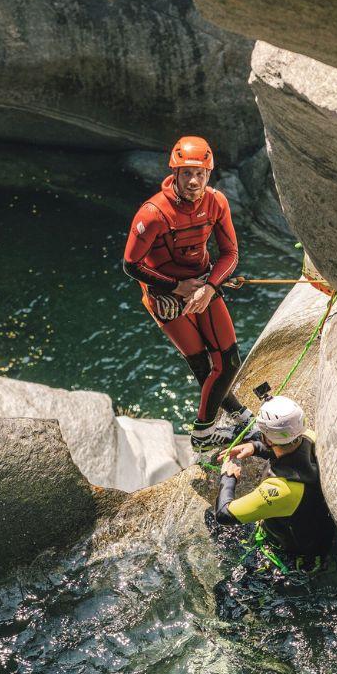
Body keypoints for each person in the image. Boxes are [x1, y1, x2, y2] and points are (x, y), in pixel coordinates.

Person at [122, 136, 254, 448]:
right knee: (203, 366)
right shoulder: (152, 213)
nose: (194, 181)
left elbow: (230, 254)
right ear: (175, 173)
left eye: (200, 174)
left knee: (229, 361)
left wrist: (210, 288)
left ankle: (228, 419)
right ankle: (205, 434)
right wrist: (176, 287)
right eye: (187, 174)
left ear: (209, 175)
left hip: (202, 285)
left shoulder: (216, 202)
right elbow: (131, 264)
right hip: (165, 295)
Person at [214, 395, 334, 566]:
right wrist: (254, 447)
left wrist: (228, 477)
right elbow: (287, 447)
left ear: (267, 438)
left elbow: (224, 515)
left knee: (222, 590)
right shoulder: (310, 437)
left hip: (290, 558)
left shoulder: (280, 489)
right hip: (312, 530)